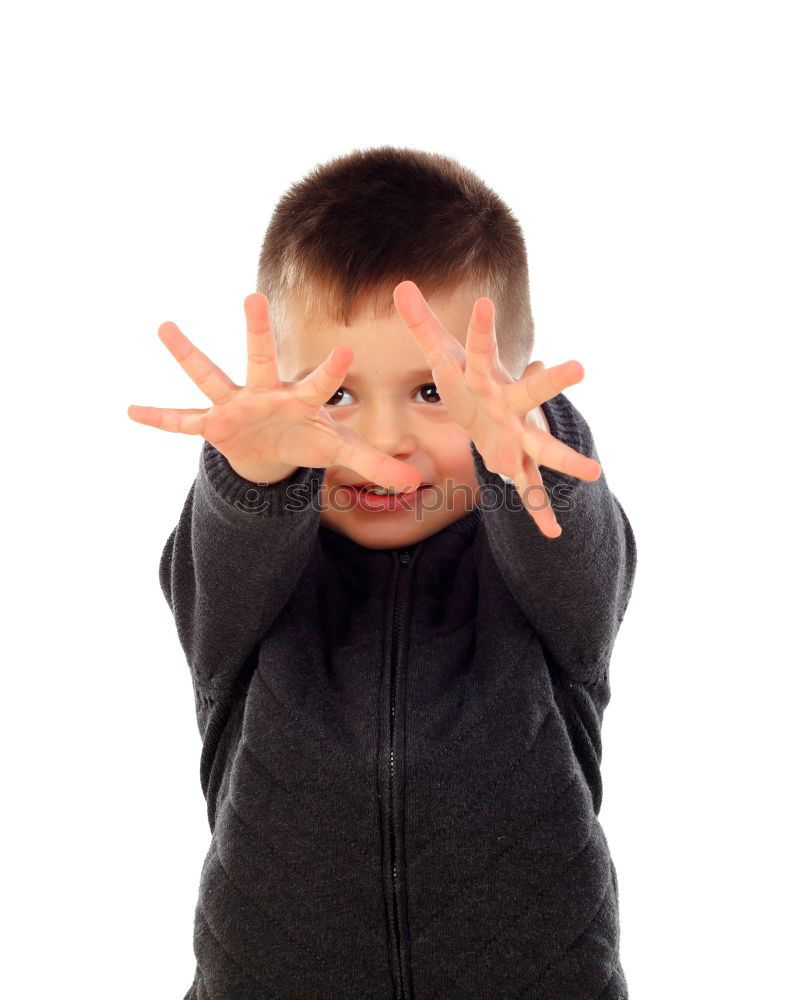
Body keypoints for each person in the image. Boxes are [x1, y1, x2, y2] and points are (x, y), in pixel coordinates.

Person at [128, 145, 637, 1000]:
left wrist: (527, 465)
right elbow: (217, 557)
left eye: (435, 394)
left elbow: (581, 559)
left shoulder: (534, 574)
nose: (386, 439)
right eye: (335, 396)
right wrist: (251, 479)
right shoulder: (254, 580)